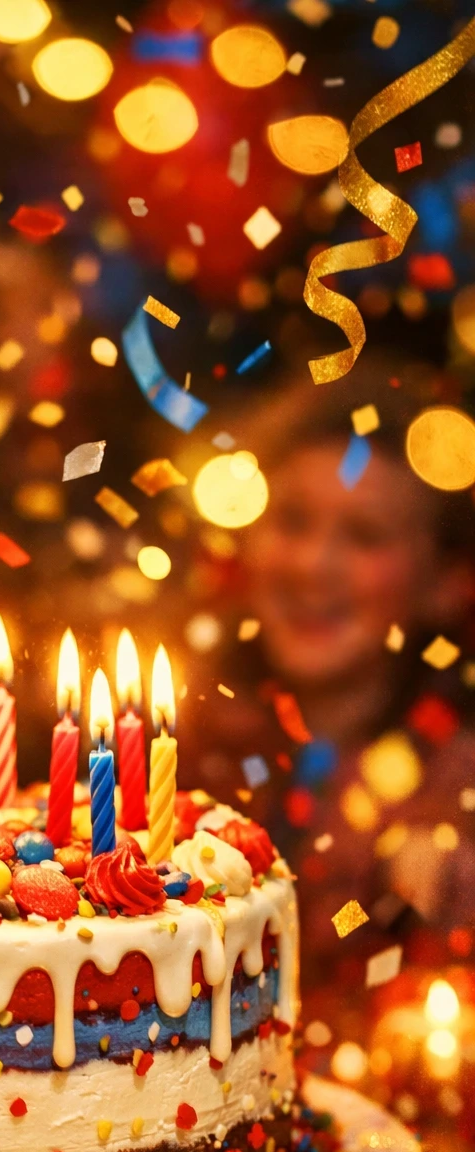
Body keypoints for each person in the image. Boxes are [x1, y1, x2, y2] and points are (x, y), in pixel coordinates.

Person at [183, 357, 475, 992]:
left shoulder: (458, 793)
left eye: (365, 536)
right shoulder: (173, 745)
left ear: (447, 582)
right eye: (292, 522)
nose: (314, 565)